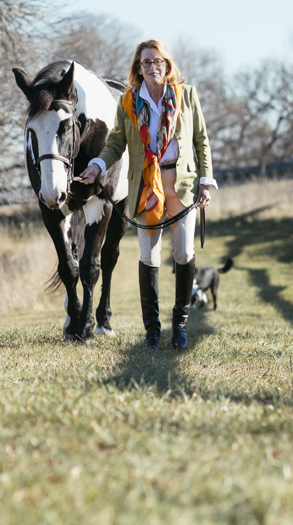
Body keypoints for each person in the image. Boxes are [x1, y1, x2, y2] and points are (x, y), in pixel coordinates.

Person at [79, 40, 215, 349]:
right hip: (144, 185)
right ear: (138, 69)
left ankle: (179, 326)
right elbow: (116, 143)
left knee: (182, 253)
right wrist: (97, 166)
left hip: (181, 182)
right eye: (145, 62)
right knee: (149, 256)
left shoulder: (186, 95)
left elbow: (201, 141)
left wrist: (206, 181)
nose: (152, 66)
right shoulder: (129, 101)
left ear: (167, 65)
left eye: (157, 61)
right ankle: (152, 331)